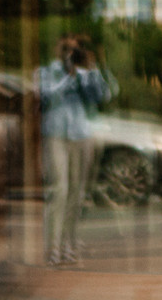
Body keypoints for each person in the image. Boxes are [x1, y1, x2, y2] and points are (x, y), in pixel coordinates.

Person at [35, 34, 113, 264]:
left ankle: (69, 242)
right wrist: (68, 76)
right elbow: (46, 95)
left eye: (75, 48)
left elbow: (103, 96)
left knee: (77, 193)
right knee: (60, 189)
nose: (71, 52)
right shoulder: (46, 72)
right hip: (56, 135)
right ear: (57, 49)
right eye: (66, 47)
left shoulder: (84, 73)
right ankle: (53, 247)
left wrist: (95, 68)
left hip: (80, 134)